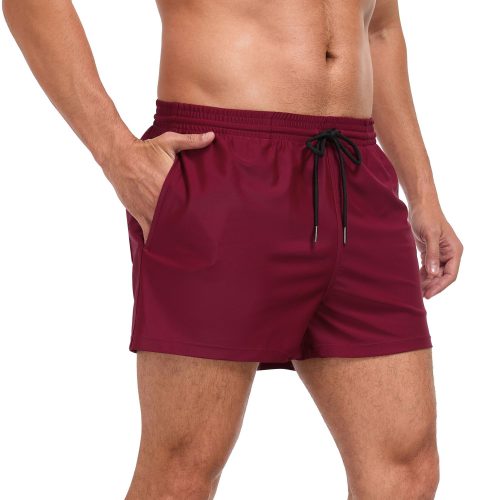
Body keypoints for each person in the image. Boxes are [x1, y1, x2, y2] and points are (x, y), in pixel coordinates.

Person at [3, 0, 463, 498]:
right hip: (222, 161)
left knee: (406, 470)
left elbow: (380, 29)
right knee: (182, 467)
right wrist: (116, 154)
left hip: (356, 176)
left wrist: (423, 192)